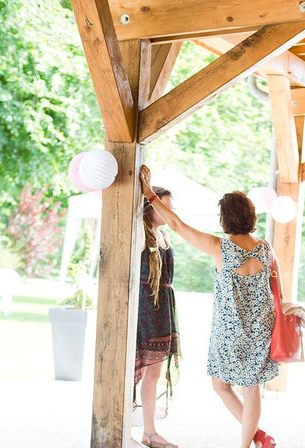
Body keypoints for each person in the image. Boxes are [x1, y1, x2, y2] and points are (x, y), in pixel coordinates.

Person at [140, 165, 279, 448]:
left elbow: (177, 225)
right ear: (251, 217)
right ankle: (256, 438)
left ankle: (251, 440)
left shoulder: (221, 247)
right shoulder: (265, 247)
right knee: (251, 389)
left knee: (221, 386)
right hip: (263, 327)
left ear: (224, 218)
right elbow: (278, 289)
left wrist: (149, 194)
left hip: (230, 332)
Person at [135, 186, 181, 448]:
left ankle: (149, 431)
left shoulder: (164, 235)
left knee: (154, 372)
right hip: (146, 307)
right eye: (166, 206)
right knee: (138, 370)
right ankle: (128, 425)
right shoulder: (142, 234)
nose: (170, 211)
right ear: (151, 206)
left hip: (163, 307)